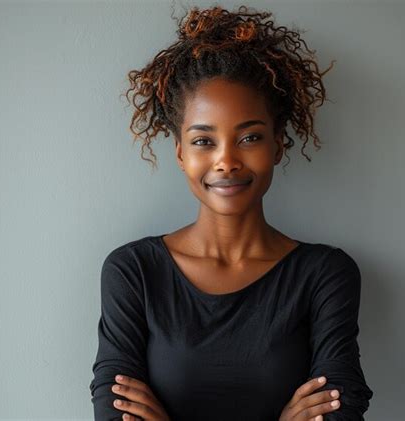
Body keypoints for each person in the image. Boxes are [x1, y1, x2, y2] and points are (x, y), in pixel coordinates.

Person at [89, 4, 373, 420]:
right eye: (204, 141)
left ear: (277, 145)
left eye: (250, 137)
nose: (226, 161)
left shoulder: (325, 275)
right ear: (181, 152)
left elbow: (339, 413)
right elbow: (113, 413)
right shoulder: (133, 272)